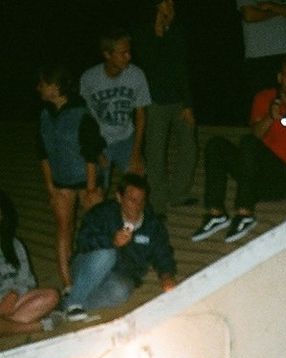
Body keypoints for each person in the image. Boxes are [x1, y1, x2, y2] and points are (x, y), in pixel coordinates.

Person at [192, 54, 286, 244]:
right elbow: (255, 135)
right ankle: (216, 213)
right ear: (279, 78)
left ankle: (245, 212)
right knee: (217, 144)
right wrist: (270, 117)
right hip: (257, 174)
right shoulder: (264, 98)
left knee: (249, 145)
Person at [64, 173, 176, 322]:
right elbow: (83, 242)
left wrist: (166, 276)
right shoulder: (102, 213)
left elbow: (163, 254)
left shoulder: (152, 225)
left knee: (121, 292)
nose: (137, 205)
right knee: (107, 254)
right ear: (119, 197)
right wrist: (111, 241)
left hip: (119, 275)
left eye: (142, 201)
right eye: (132, 200)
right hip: (87, 267)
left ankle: (68, 303)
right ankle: (74, 302)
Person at [37, 62, 105, 289]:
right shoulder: (44, 115)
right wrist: (50, 189)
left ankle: (100, 276)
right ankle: (68, 284)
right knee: (63, 228)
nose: (38, 88)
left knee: (97, 227)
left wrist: (91, 189)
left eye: (43, 84)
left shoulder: (81, 114)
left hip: (88, 179)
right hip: (60, 182)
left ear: (55, 88)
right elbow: (43, 153)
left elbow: (91, 155)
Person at [135, 0, 197, 215]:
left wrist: (188, 104)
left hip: (179, 101)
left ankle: (179, 193)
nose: (172, 6)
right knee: (155, 154)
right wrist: (158, 32)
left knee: (189, 145)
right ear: (155, 6)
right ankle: (158, 203)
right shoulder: (142, 33)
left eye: (172, 3)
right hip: (154, 103)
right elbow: (148, 63)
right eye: (167, 3)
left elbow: (182, 68)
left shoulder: (177, 33)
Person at [80, 28, 151, 180]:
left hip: (127, 139)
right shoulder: (88, 78)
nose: (129, 56)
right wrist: (96, 151)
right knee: (96, 190)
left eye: (129, 51)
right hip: (100, 140)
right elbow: (85, 118)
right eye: (123, 53)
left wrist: (136, 153)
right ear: (107, 54)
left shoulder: (137, 75)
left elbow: (140, 116)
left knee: (138, 180)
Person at [0, 190, 59, 335]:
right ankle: (31, 327)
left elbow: (28, 280)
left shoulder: (14, 244)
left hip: (14, 302)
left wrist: (14, 294)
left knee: (52, 296)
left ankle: (6, 327)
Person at [237, 0, 286, 116]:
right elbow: (249, 15)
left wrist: (272, 7)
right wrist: (283, 9)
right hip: (258, 56)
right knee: (263, 107)